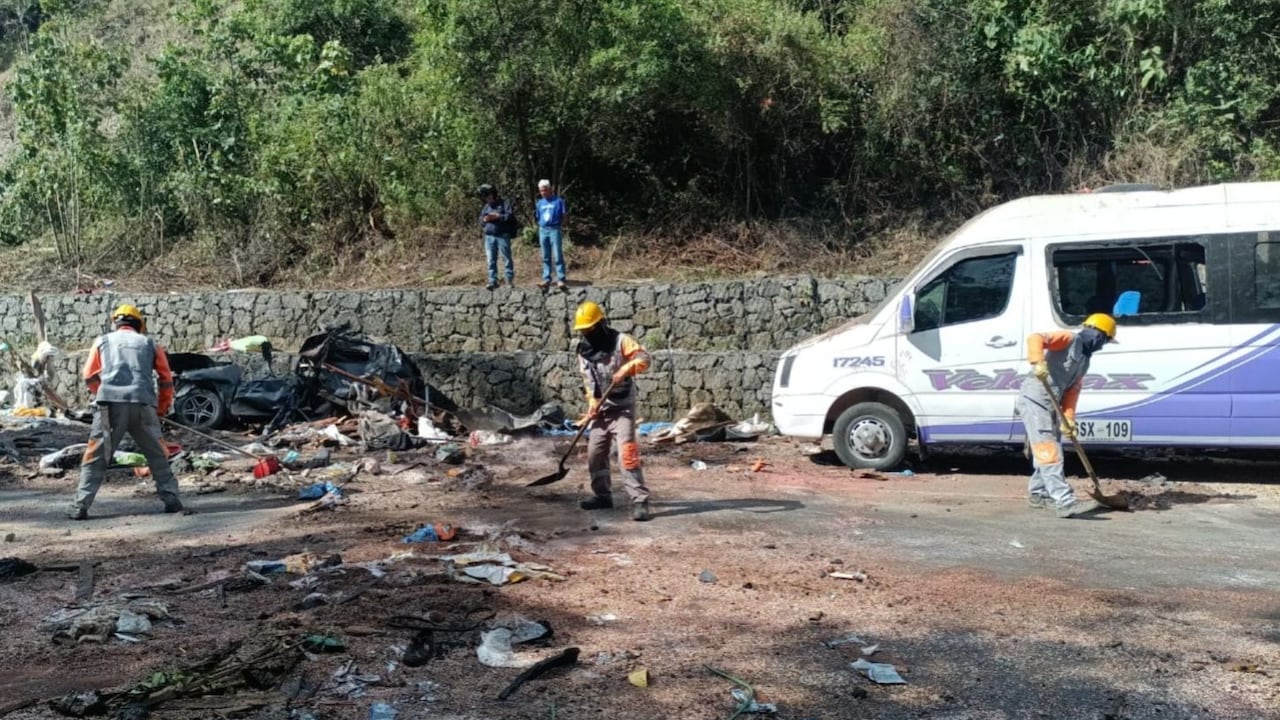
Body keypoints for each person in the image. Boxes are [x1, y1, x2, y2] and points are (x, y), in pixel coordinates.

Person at [69, 304, 182, 520]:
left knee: (96, 455)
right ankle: (171, 499)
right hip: (143, 404)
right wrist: (161, 408)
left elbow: (88, 375)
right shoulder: (149, 343)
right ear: (139, 324)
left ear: (116, 323)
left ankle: (80, 506)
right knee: (157, 455)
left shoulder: (102, 341)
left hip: (109, 407)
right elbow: (166, 379)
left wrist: (103, 393)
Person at [1019, 313, 1117, 518]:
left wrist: (1069, 419)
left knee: (1048, 447)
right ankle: (1064, 501)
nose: (1103, 346)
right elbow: (1036, 338)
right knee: (1049, 449)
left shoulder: (1084, 361)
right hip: (1036, 398)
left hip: (1053, 403)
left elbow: (1073, 391)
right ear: (1098, 335)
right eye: (1105, 341)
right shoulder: (1068, 339)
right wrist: (1038, 362)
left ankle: (1038, 494)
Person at [574, 300, 653, 521]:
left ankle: (640, 500)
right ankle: (602, 496)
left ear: (600, 324)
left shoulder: (621, 341)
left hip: (622, 408)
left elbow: (644, 359)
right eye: (583, 331)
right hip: (601, 409)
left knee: (627, 454)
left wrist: (626, 369)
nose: (586, 334)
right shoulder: (584, 351)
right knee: (595, 453)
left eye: (589, 329)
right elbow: (588, 381)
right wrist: (592, 404)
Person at [478, 184, 516, 290]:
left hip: (502, 235)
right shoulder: (486, 207)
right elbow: (481, 220)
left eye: (488, 196)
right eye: (485, 197)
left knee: (506, 258)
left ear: (493, 194)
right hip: (489, 236)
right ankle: (492, 281)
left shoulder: (504, 203)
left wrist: (498, 216)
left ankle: (509, 280)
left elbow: (509, 216)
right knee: (490, 260)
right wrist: (485, 219)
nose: (487, 199)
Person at [535, 179, 567, 290]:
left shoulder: (558, 201)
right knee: (545, 256)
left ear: (549, 189)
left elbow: (563, 216)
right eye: (541, 191)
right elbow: (538, 216)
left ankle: (561, 279)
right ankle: (546, 279)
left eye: (544, 190)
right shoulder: (539, 203)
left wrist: (558, 226)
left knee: (557, 254)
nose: (543, 193)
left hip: (554, 229)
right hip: (543, 230)